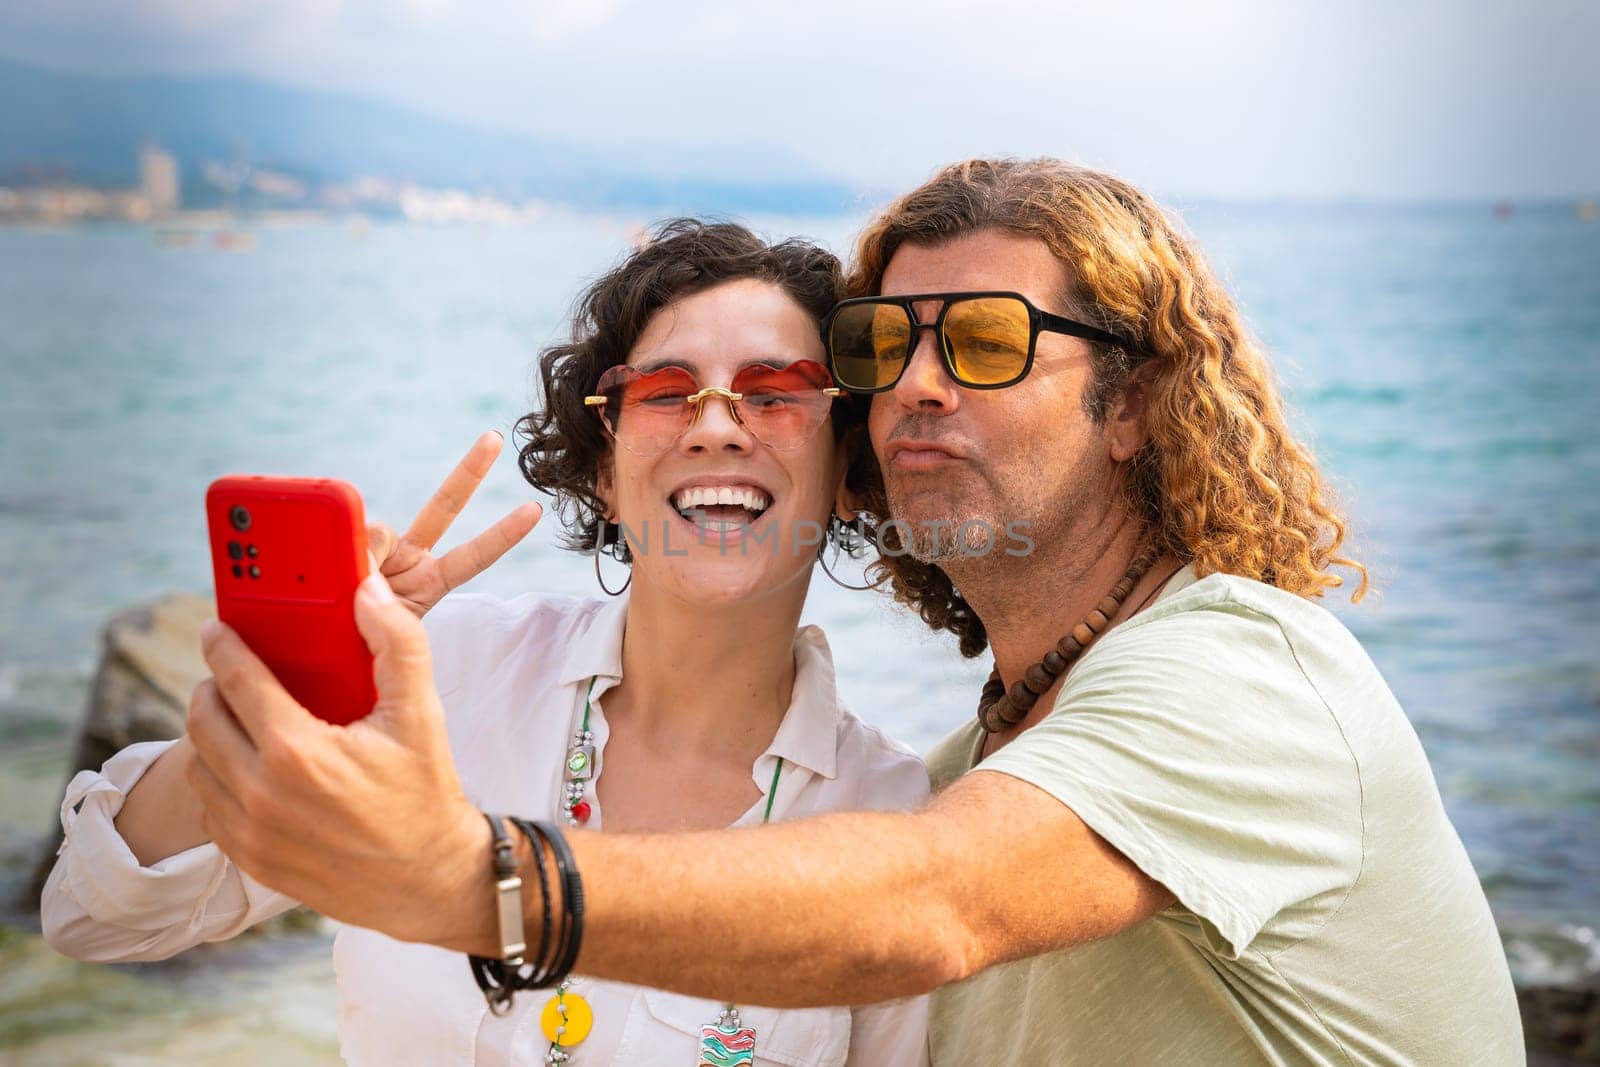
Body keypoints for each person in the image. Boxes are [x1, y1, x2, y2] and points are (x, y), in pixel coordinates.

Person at [60, 158, 1527, 1066]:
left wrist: (468, 876)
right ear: (606, 440)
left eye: (993, 339)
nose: (926, 384)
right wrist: (303, 697)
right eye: (889, 346)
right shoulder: (973, 773)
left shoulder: (1243, 676)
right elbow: (96, 904)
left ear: (1135, 401)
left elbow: (930, 902)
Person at [40, 220, 932, 1066]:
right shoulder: (446, 673)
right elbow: (94, 912)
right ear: (601, 471)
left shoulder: (895, 815)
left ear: (848, 474)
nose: (715, 424)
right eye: (664, 392)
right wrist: (303, 687)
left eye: (774, 395)